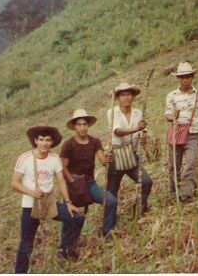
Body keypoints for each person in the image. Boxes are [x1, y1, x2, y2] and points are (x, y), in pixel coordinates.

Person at [12, 126, 85, 274]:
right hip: (30, 205)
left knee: (77, 218)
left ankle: (66, 251)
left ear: (52, 142)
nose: (44, 143)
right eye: (41, 139)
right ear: (35, 141)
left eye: (48, 140)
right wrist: (32, 193)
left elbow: (61, 181)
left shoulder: (54, 159)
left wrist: (69, 203)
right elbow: (15, 183)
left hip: (49, 203)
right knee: (26, 244)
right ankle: (20, 272)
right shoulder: (25, 158)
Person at [60, 109, 118, 237]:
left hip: (89, 183)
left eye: (84, 124)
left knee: (111, 201)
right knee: (69, 215)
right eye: (79, 125)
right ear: (74, 127)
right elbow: (62, 167)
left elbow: (103, 161)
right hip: (72, 184)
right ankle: (66, 247)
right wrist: (73, 182)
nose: (82, 128)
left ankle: (108, 232)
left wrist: (108, 159)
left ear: (88, 126)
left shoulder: (94, 141)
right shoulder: (68, 145)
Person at [107, 82, 153, 215]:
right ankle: (109, 222)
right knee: (111, 193)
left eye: (129, 94)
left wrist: (142, 137)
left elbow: (141, 133)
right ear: (118, 98)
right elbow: (118, 132)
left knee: (146, 181)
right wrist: (137, 128)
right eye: (123, 95)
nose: (126, 98)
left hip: (132, 155)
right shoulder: (112, 112)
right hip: (116, 156)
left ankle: (141, 210)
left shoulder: (138, 113)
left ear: (133, 97)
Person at [165, 62, 198, 202]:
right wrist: (173, 117)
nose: (185, 80)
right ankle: (174, 191)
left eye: (188, 77)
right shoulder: (171, 96)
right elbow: (167, 114)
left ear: (192, 77)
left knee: (190, 163)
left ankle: (185, 195)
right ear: (178, 78)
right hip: (177, 133)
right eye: (182, 77)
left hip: (193, 133)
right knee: (174, 165)